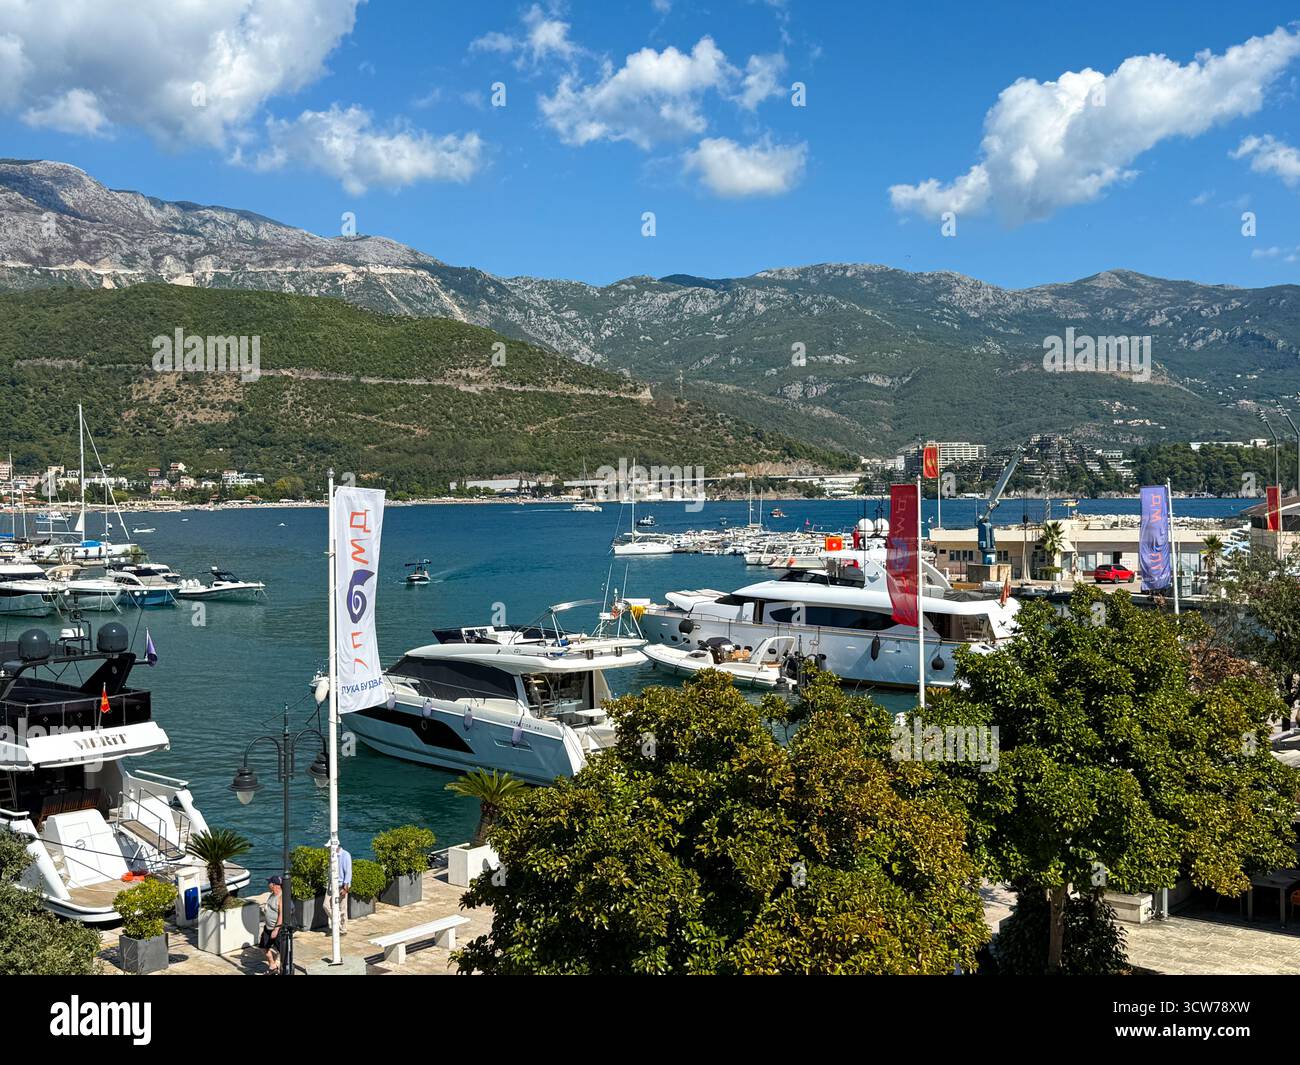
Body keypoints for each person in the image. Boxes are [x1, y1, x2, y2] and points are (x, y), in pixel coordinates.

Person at [323, 845, 353, 935]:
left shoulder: (346, 855)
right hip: (331, 885)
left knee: (342, 908)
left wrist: (345, 888)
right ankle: (337, 921)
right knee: (326, 905)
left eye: (329, 847)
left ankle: (343, 929)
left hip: (341, 885)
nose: (328, 849)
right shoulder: (332, 855)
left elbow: (348, 872)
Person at [259, 876, 284, 974]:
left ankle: (285, 968)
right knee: (263, 947)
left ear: (274, 885)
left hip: (277, 929)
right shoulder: (272, 894)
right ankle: (272, 966)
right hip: (267, 928)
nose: (268, 884)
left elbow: (281, 914)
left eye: (269, 882)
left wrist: (276, 929)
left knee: (283, 952)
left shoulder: (281, 897)